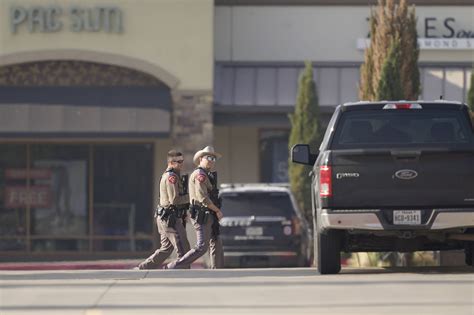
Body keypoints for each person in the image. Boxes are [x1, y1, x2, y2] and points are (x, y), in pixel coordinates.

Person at [166, 146, 224, 269]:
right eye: (209, 157)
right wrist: (217, 210)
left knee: (216, 241)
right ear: (201, 159)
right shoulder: (200, 175)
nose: (212, 160)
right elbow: (203, 197)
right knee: (202, 247)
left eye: (214, 158)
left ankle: (217, 270)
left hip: (209, 213)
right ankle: (173, 266)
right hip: (202, 214)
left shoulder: (208, 175)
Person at [136, 150, 190, 269]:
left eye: (182, 161)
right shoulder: (172, 177)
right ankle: (178, 271)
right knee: (184, 249)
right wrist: (191, 197)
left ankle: (143, 267)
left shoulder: (171, 175)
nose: (181, 164)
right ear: (171, 162)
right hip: (170, 218)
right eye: (178, 161)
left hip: (165, 217)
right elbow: (174, 200)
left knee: (166, 249)